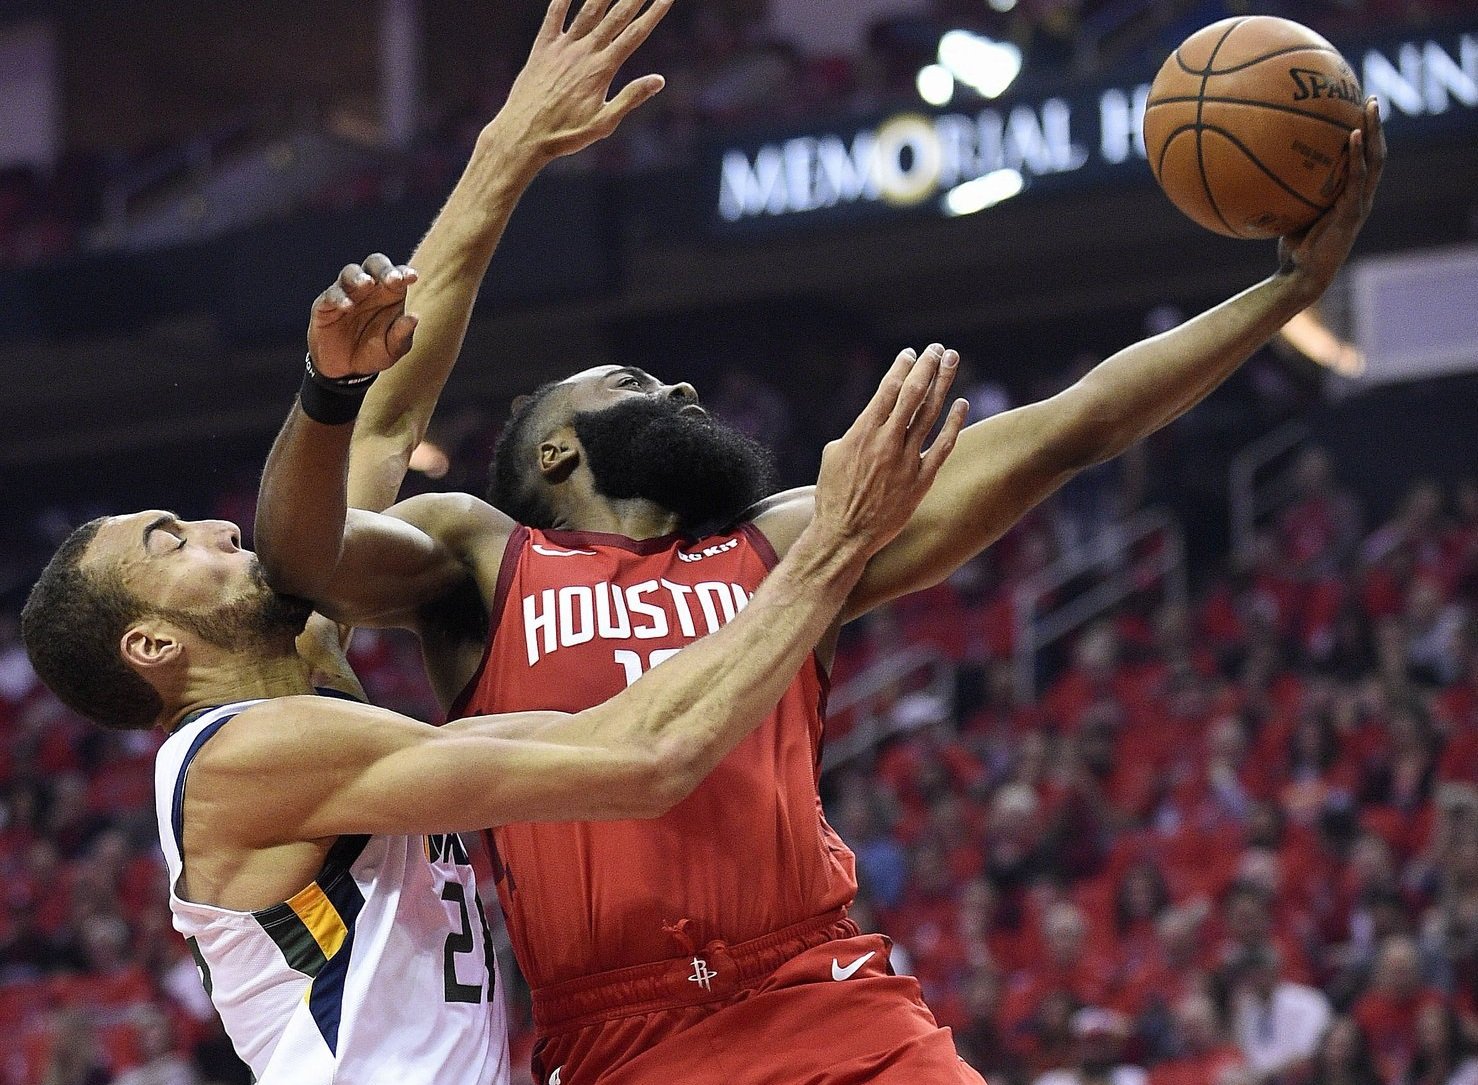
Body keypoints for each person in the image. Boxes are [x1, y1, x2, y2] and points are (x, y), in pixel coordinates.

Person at [254, 34, 1386, 1081]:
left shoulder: (791, 537)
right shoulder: (479, 558)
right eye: (633, 384)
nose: (678, 388)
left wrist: (1283, 291)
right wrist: (331, 387)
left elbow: (1072, 423)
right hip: (617, 1027)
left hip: (823, 984)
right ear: (551, 448)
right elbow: (302, 553)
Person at [18, 253, 964, 1084]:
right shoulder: (245, 755)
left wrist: (510, 147)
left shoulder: (312, 689)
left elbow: (381, 427)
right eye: (173, 540)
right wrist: (833, 543)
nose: (221, 527)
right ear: (151, 644)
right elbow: (646, 757)